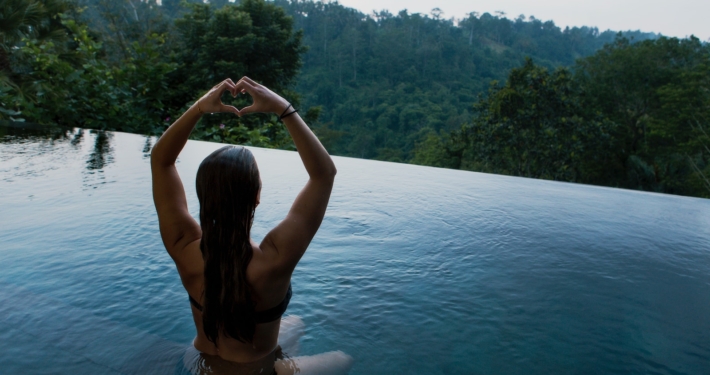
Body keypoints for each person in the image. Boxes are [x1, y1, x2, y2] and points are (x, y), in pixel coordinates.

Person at [151, 77, 353, 374]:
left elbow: (161, 160)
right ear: (256, 197)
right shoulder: (275, 257)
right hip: (255, 372)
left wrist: (198, 109)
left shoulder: (183, 246)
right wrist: (283, 109)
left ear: (203, 197)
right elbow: (324, 175)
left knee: (295, 324)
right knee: (343, 359)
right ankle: (279, 364)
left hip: (197, 363)